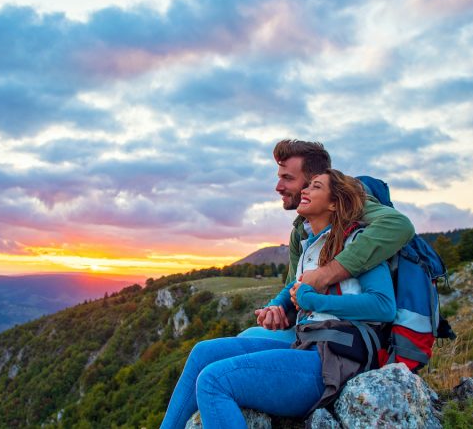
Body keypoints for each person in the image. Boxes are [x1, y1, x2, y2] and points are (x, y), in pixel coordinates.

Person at [161, 169, 396, 428]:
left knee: (214, 381)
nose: (304, 190)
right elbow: (296, 296)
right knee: (202, 353)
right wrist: (276, 307)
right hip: (306, 346)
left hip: (334, 362)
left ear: (333, 203)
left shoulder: (358, 243)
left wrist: (316, 302)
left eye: (315, 187)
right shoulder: (311, 245)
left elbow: (383, 306)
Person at [239, 139, 413, 340]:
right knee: (238, 339)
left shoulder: (353, 209)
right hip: (309, 328)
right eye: (279, 177)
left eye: (287, 178)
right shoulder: (301, 231)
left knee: (224, 361)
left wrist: (324, 275)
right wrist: (277, 307)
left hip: (341, 340)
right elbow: (297, 286)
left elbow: (399, 225)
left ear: (316, 180)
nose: (278, 186)